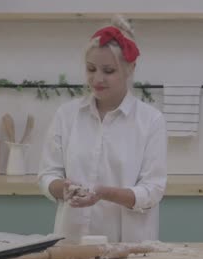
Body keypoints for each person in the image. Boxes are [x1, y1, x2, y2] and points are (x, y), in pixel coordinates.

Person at [37, 15, 167, 244]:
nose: (97, 78)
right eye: (91, 69)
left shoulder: (150, 121)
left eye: (108, 71)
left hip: (129, 247)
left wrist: (104, 193)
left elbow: (152, 190)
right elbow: (48, 175)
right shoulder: (66, 116)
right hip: (72, 243)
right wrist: (62, 189)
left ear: (130, 69)